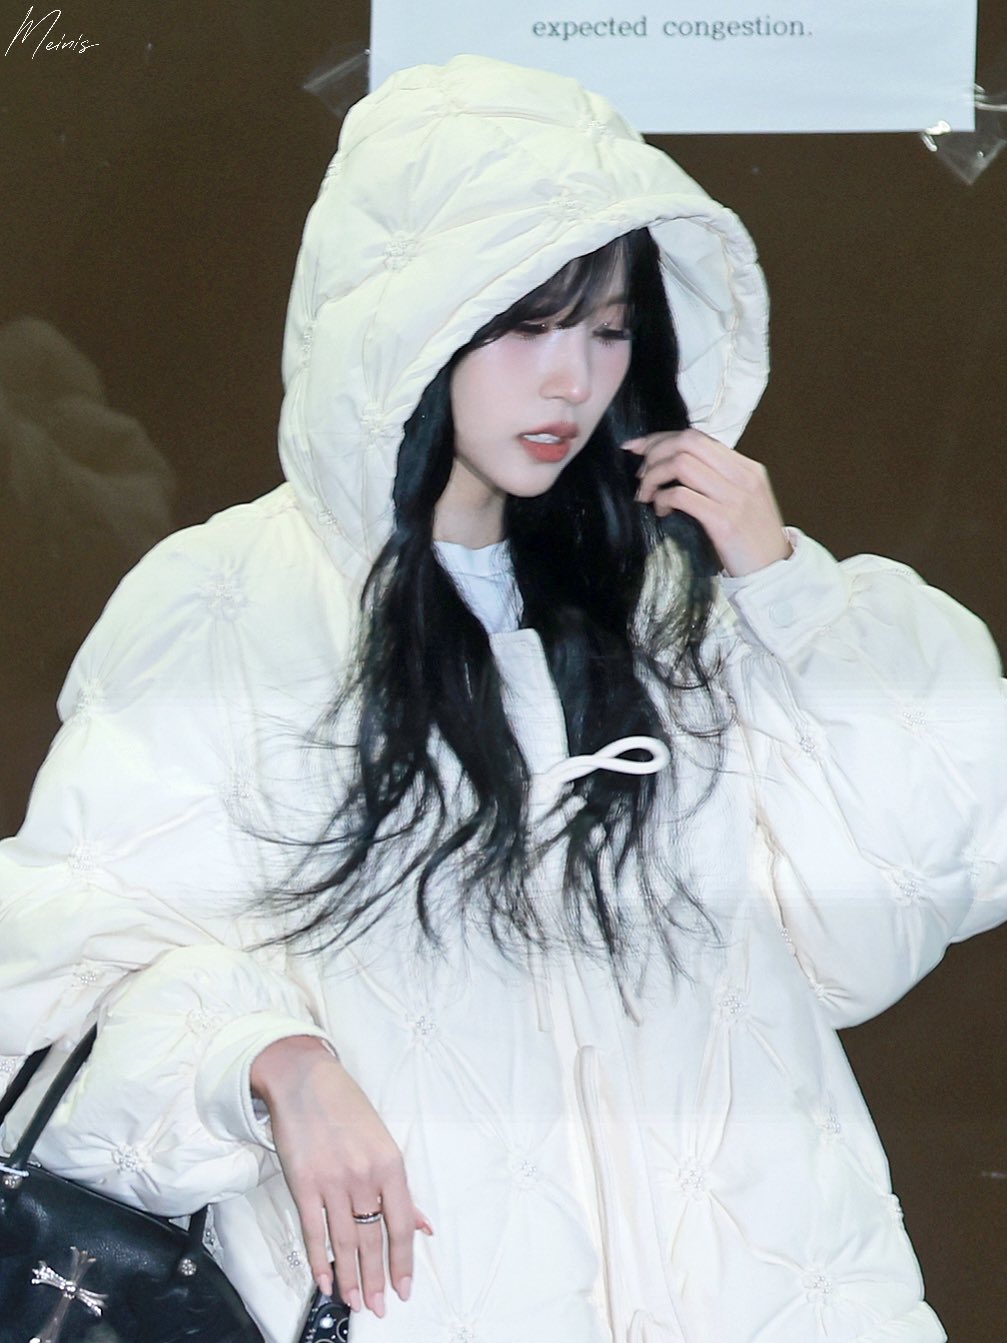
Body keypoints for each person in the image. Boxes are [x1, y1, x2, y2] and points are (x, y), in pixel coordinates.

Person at [0, 54, 1004, 1343]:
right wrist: (264, 1063)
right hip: (422, 1299)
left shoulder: (672, 597)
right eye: (526, 325)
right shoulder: (231, 603)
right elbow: (54, 966)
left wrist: (788, 589)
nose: (572, 381)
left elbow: (872, 926)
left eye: (608, 329)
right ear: (407, 317)